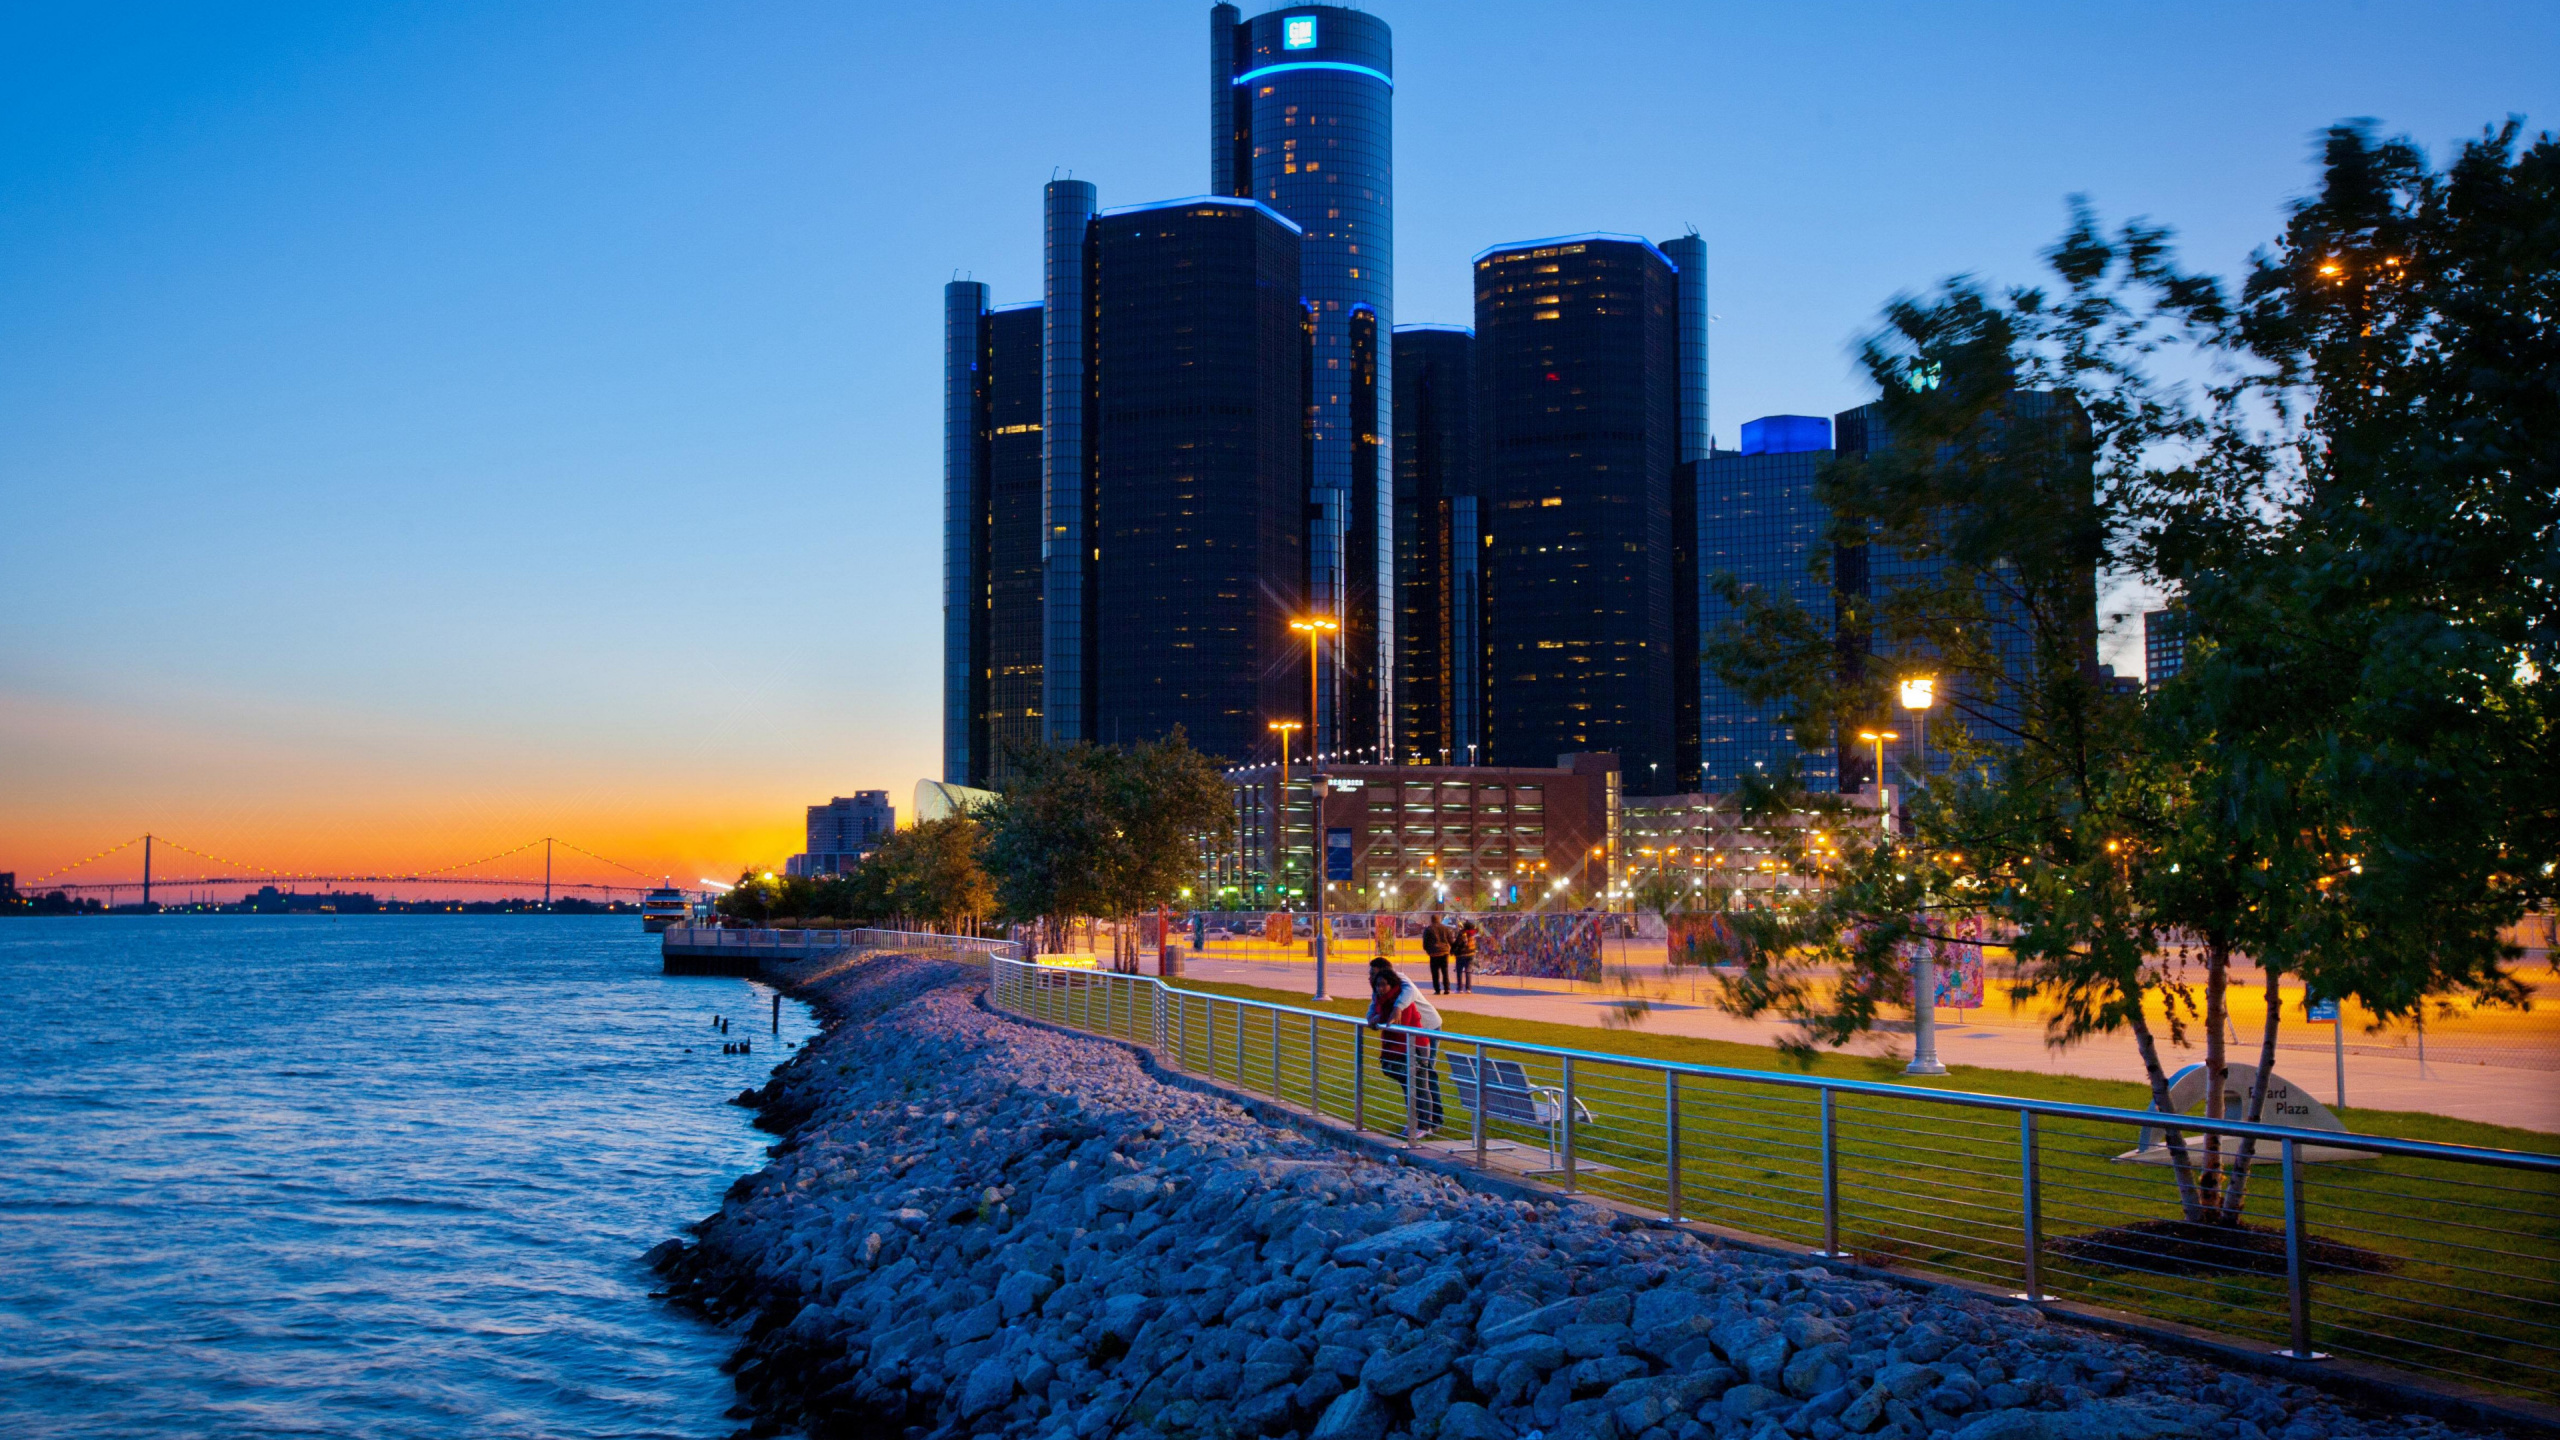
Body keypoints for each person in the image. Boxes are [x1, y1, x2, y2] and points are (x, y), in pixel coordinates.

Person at [1365, 958, 1445, 1133]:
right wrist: (1372, 1018)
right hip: (1409, 1036)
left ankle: (1433, 1121)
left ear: (1384, 972)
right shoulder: (1380, 990)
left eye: (1373, 973)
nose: (1370, 977)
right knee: (1413, 1080)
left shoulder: (1400, 981)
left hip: (1427, 1029)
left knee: (1425, 1076)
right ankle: (1418, 1120)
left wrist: (1398, 1008)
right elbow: (1374, 1007)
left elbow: (1408, 994)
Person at [1421, 914, 1453, 995]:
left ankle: (1437, 989)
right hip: (1444, 952)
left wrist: (1427, 949)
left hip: (1434, 953)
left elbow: (1425, 941)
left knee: (1435, 972)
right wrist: (1452, 949)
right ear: (1439, 919)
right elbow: (1450, 940)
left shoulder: (1429, 929)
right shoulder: (1445, 928)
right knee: (1445, 971)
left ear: (1431, 920)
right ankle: (1447, 988)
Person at [1452, 920, 1479, 993]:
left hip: (1461, 954)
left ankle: (1459, 988)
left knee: (1459, 971)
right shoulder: (1473, 934)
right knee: (1468, 971)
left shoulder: (1462, 934)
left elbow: (1457, 943)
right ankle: (1468, 988)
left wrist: (1453, 950)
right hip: (1471, 955)